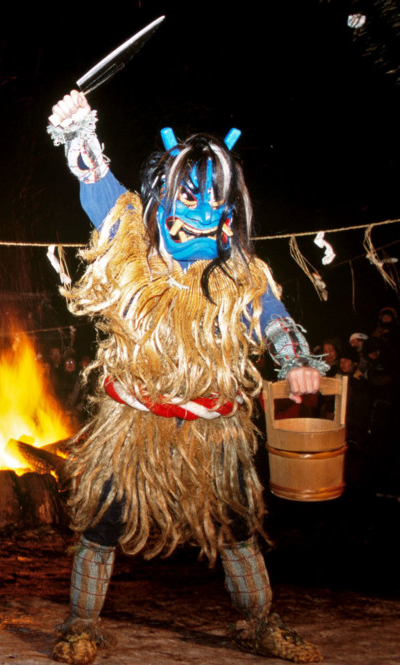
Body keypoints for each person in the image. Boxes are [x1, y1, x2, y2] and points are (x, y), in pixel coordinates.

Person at [47, 90, 326, 664]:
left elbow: (272, 314)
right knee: (102, 522)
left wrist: (296, 359)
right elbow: (99, 186)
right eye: (191, 197)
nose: (203, 212)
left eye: (215, 199)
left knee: (238, 526)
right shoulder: (132, 243)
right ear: (165, 196)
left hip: (213, 432)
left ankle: (261, 623)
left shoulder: (238, 274)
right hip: (132, 429)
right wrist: (79, 132)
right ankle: (80, 626)